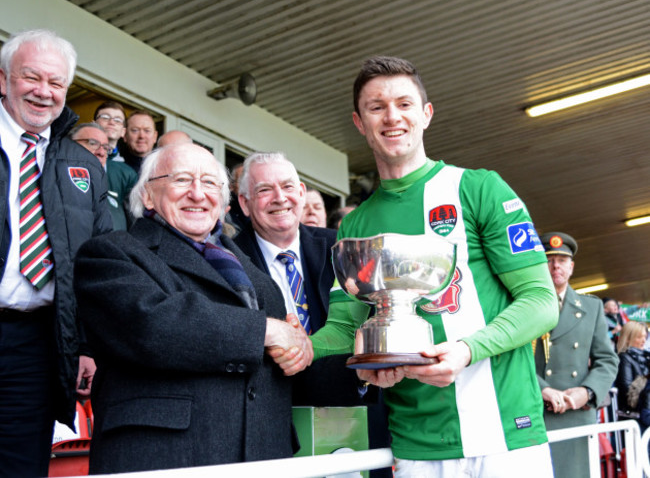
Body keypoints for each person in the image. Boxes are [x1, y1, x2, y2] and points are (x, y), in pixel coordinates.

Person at [307, 56, 559, 477]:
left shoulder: (479, 188)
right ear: (359, 122)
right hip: (416, 444)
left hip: (504, 435)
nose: (392, 117)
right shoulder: (354, 224)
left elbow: (540, 301)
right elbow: (347, 328)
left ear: (426, 114)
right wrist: (295, 345)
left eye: (405, 104)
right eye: (377, 107)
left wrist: (466, 350)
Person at [73, 143, 312, 473]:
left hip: (263, 456)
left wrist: (341, 364)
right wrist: (268, 331)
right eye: (182, 180)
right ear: (147, 195)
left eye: (210, 183)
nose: (198, 194)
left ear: (224, 201)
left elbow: (278, 370)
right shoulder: (110, 253)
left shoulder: (256, 275)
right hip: (163, 459)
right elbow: (154, 326)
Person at [234, 152, 392, 477]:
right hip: (269, 431)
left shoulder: (343, 250)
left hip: (354, 416)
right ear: (245, 203)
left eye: (288, 186)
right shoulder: (227, 260)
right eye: (265, 190)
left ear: (302, 193)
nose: (280, 198)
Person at [0, 29, 112, 477]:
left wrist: (84, 343)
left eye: (57, 83)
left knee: (21, 465)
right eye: (31, 77)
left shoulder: (83, 165)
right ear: (4, 79)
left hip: (37, 343)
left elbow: (96, 264)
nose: (44, 92)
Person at [535, 231, 618, 478]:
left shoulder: (591, 307)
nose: (555, 265)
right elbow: (513, 358)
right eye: (549, 260)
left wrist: (588, 392)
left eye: (561, 260)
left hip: (574, 413)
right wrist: (541, 388)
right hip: (534, 409)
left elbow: (607, 359)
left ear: (571, 267)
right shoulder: (522, 305)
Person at [69, 122, 138, 230]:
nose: (101, 152)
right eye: (92, 143)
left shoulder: (112, 199)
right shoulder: (54, 185)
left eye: (106, 148)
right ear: (69, 145)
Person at [615, 321, 649, 412]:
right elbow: (627, 390)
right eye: (639, 337)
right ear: (627, 339)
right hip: (636, 408)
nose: (644, 340)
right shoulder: (624, 358)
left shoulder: (645, 356)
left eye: (645, 337)